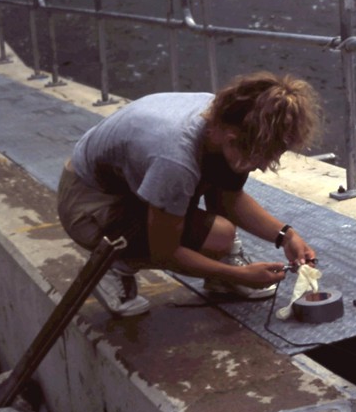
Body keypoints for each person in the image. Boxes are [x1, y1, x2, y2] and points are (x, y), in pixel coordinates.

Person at [57, 71, 322, 317]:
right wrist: (239, 275)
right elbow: (166, 252)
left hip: (127, 186)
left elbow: (229, 199)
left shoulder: (230, 118)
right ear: (231, 139)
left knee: (221, 232)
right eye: (260, 157)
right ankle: (114, 263)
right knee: (219, 236)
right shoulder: (175, 159)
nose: (264, 166)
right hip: (89, 205)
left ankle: (220, 277)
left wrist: (286, 236)